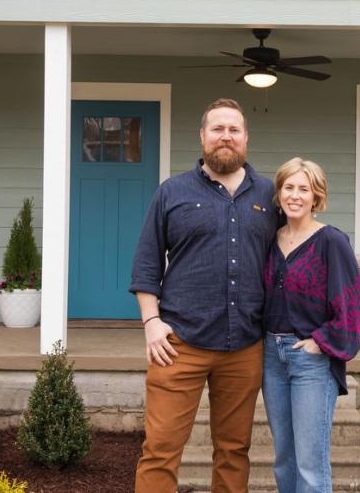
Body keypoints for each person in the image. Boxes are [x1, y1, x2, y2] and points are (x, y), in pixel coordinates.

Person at [129, 98, 281, 493]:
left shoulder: (270, 195)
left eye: (233, 129)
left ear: (246, 138)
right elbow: (146, 264)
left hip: (244, 345)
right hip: (178, 343)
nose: (225, 137)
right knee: (160, 449)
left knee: (234, 451)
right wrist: (151, 323)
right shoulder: (172, 192)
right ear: (202, 137)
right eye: (217, 129)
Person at [262, 157, 360, 493]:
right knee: (284, 459)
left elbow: (352, 305)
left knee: (310, 463)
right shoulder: (270, 238)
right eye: (289, 187)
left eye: (303, 189)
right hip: (270, 358)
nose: (295, 195)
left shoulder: (331, 241)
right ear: (278, 193)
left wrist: (319, 342)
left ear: (316, 196)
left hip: (311, 360)